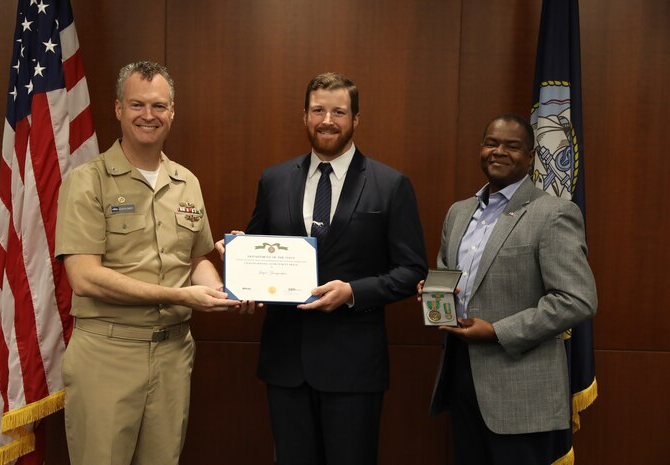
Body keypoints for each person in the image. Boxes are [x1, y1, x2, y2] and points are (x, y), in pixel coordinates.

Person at [217, 72, 428, 465]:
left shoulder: (390, 184)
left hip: (354, 368)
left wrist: (352, 293)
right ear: (304, 116)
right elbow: (256, 245)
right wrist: (239, 259)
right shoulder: (274, 180)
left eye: (338, 112)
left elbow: (412, 270)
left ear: (356, 119)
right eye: (318, 110)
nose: (327, 120)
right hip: (286, 364)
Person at [55, 61, 246, 465]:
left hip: (173, 355)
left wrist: (228, 291)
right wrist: (181, 294)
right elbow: (84, 277)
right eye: (137, 104)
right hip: (107, 354)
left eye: (158, 106)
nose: (148, 115)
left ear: (172, 111)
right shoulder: (88, 181)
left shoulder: (186, 181)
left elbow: (196, 260)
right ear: (118, 109)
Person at [420, 113, 597, 465]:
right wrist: (434, 293)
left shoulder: (554, 213)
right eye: (491, 143)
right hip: (462, 379)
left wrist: (499, 332)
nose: (498, 151)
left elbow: (577, 300)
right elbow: (450, 277)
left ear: (531, 156)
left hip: (521, 394)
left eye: (512, 146)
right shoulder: (459, 212)